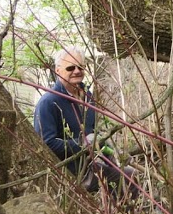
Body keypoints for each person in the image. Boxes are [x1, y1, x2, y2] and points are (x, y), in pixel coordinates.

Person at [33, 49, 138, 200]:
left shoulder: (87, 97)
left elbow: (94, 135)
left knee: (130, 175)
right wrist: (82, 144)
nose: (76, 71)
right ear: (58, 70)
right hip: (69, 173)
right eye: (70, 68)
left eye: (80, 67)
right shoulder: (48, 102)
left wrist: (114, 156)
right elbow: (46, 144)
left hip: (90, 166)